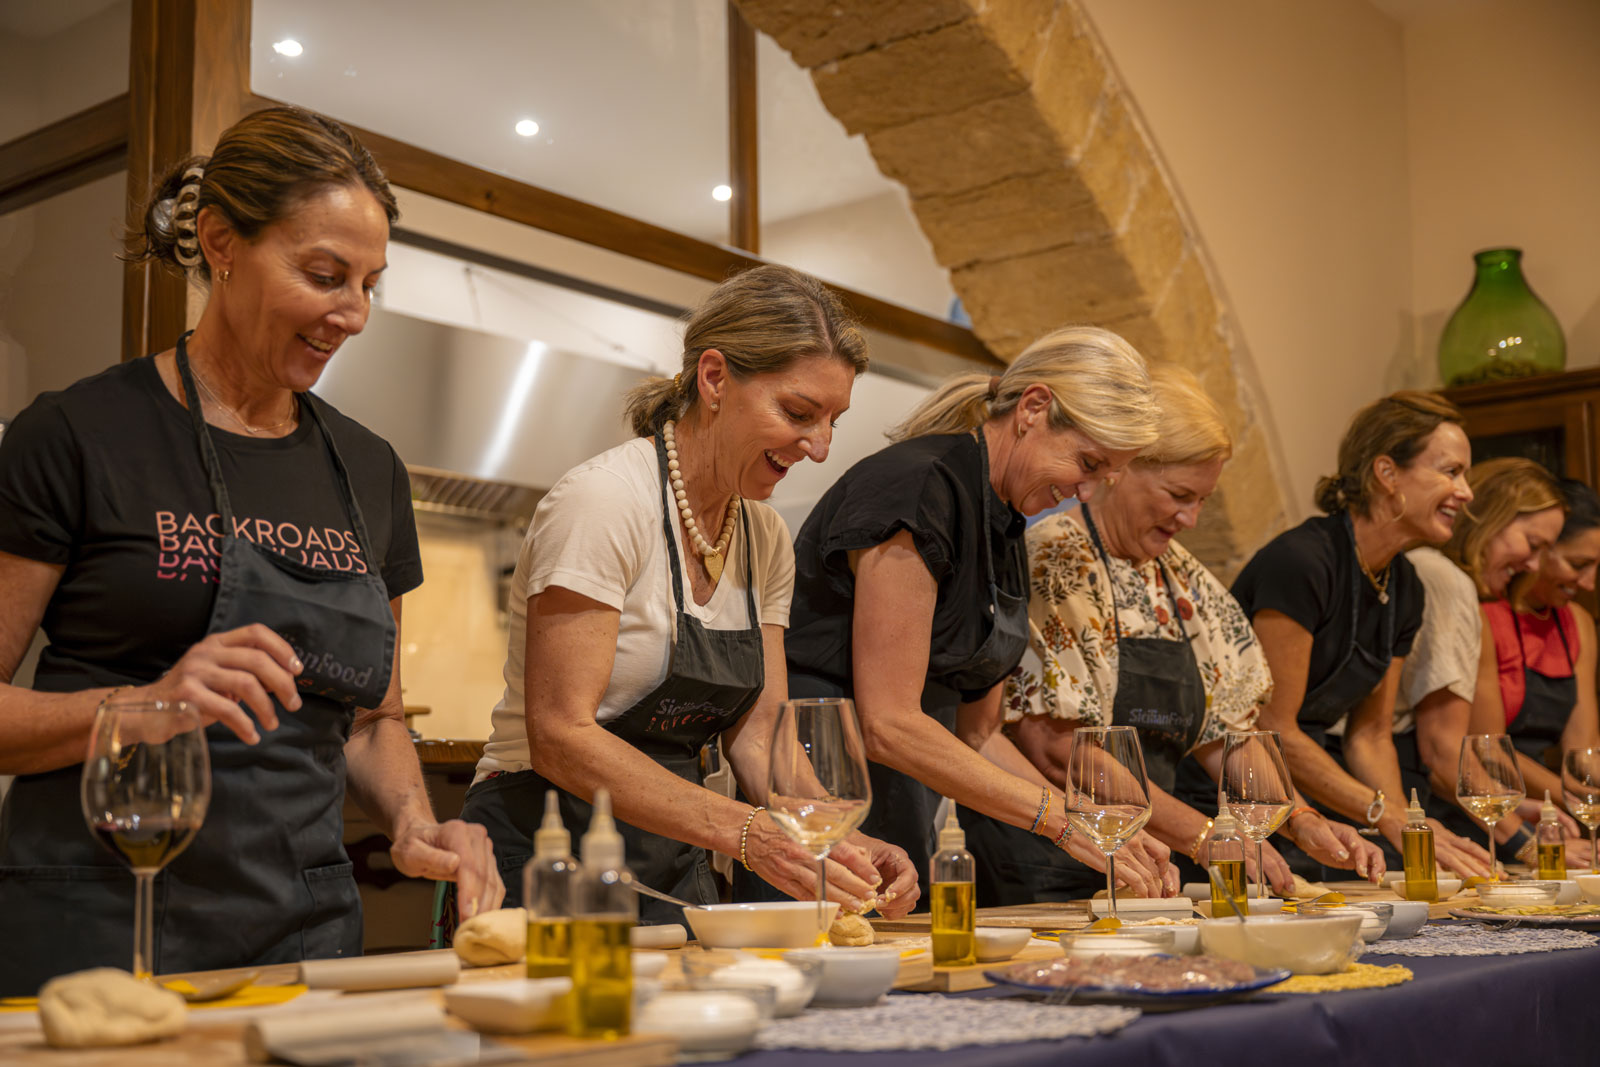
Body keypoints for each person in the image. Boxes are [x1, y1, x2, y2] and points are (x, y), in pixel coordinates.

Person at [0, 106, 500, 994]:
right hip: (102, 919)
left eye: (369, 283)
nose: (352, 313)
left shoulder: (369, 469)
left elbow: (373, 718)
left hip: (298, 929)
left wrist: (414, 819)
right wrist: (148, 705)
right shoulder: (77, 433)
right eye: (323, 274)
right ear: (221, 241)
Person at [461, 266, 919, 926]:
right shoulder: (603, 504)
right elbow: (560, 734)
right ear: (713, 379)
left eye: (831, 422)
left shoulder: (764, 536)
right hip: (547, 845)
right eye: (797, 413)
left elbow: (760, 735)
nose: (818, 447)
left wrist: (841, 842)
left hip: (675, 852)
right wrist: (745, 830)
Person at [779, 326, 1179, 897]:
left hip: (903, 808)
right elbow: (888, 724)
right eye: (1087, 463)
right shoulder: (918, 487)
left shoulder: (1005, 518)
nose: (1086, 492)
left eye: (1103, 476)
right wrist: (1057, 820)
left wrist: (1089, 822)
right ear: (1033, 408)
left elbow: (979, 734)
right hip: (820, 801)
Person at [966, 367, 1384, 905]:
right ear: (1122, 468)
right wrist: (1205, 835)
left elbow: (1231, 737)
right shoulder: (1050, 561)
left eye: (1204, 499)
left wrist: (1299, 819)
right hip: (1046, 861)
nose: (1190, 518)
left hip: (1150, 859)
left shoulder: (1188, 584)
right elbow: (1056, 749)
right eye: (1179, 494)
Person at [1231, 392, 1492, 879]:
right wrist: (1387, 814)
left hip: (1312, 795)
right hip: (1239, 802)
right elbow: (1273, 729)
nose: (1467, 493)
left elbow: (1370, 735)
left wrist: (1408, 831)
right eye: (1451, 471)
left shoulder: (1405, 585)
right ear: (1387, 473)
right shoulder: (1303, 562)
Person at [1395, 458, 1566, 851]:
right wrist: (1528, 847)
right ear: (1491, 517)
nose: (1534, 566)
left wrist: (1519, 808)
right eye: (1533, 544)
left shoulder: (1441, 576)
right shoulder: (1443, 579)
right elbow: (1444, 751)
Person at [1468, 474, 1598, 865]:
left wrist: (1582, 795)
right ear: (1538, 551)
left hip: (1550, 808)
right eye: (1578, 565)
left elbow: (1583, 755)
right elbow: (1487, 748)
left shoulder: (1576, 621)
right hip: (1486, 807)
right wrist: (1576, 797)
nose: (1589, 584)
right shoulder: (1485, 615)